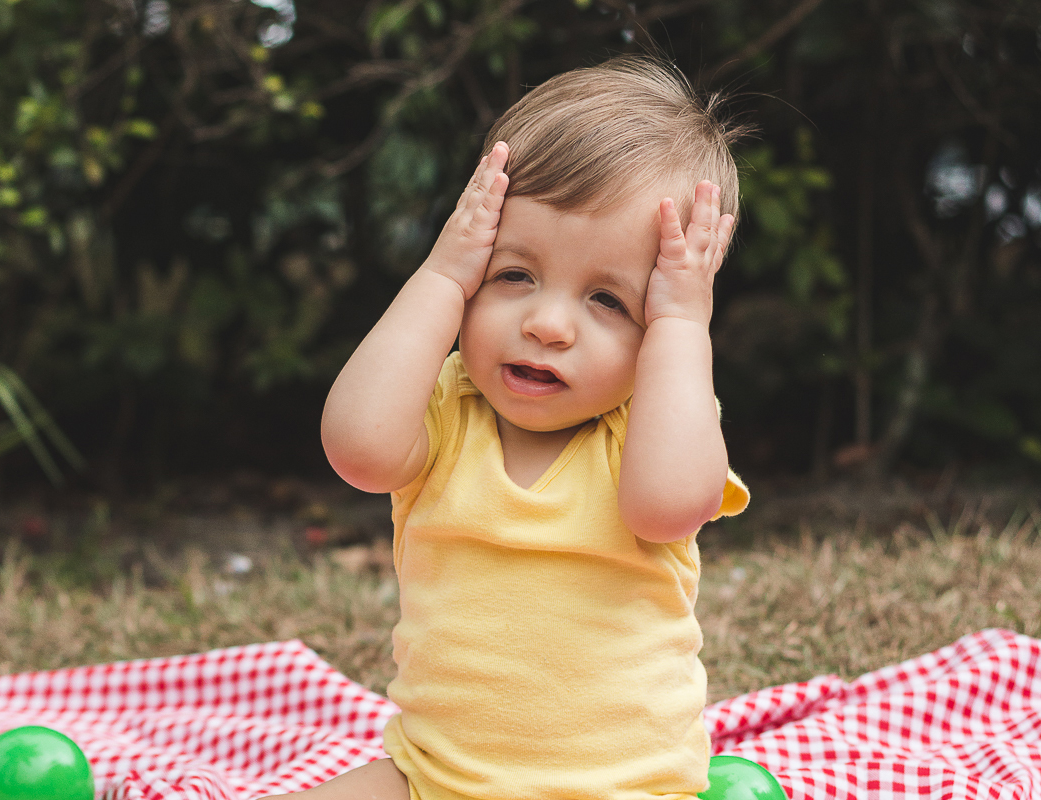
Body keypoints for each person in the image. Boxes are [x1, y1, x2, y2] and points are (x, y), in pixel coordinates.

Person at [301, 56, 749, 800]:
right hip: (437, 779)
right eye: (513, 275)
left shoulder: (652, 425)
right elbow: (358, 449)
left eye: (608, 300)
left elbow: (667, 505)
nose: (545, 324)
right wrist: (443, 275)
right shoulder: (446, 407)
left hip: (621, 790)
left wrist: (681, 323)